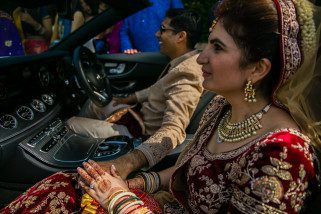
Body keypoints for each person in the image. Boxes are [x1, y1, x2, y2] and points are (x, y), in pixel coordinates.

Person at [2, 0, 321, 213]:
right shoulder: (223, 109)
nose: (200, 57)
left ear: (257, 69)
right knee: (65, 183)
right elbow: (184, 173)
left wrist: (116, 197)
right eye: (208, 43)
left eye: (217, 47)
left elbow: (173, 133)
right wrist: (134, 183)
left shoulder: (283, 156)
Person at [67, 8, 203, 178]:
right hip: (136, 115)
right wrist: (129, 98)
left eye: (162, 29)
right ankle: (85, 150)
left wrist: (131, 160)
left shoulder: (186, 73)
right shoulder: (183, 61)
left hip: (138, 135)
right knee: (94, 104)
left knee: (71, 123)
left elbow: (174, 129)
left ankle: (68, 167)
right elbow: (158, 89)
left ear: (181, 36)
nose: (156, 34)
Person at [120, 0, 184, 54]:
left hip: (165, 54)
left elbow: (180, 21)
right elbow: (123, 30)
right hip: (138, 56)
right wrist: (127, 48)